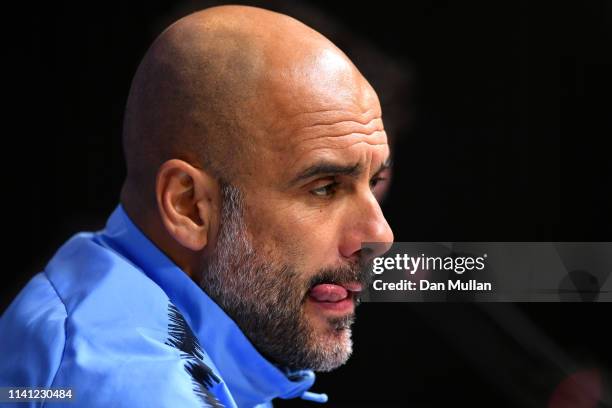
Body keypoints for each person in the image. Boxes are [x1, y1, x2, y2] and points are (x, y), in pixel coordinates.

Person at [0, 5, 393, 407]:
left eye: (374, 181)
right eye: (325, 188)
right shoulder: (138, 388)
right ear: (188, 205)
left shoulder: (101, 286)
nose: (381, 235)